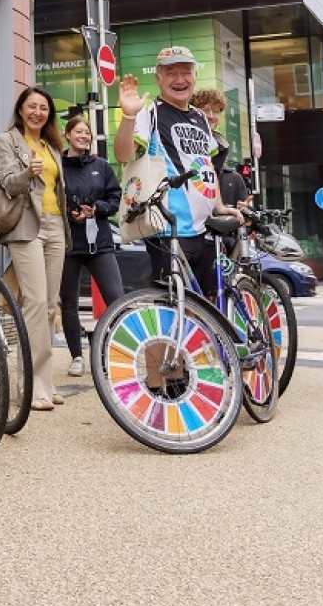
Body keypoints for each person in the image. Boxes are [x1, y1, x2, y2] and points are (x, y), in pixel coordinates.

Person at [113, 46, 238, 300]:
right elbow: (123, 155)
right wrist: (128, 115)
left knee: (208, 307)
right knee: (171, 308)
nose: (179, 79)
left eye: (186, 72)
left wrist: (220, 206)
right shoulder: (150, 113)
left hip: (204, 231)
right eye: (171, 73)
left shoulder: (201, 118)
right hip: (168, 232)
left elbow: (206, 168)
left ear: (194, 76)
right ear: (158, 78)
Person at [0, 87, 71, 412]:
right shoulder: (7, 140)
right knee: (35, 304)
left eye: (43, 107)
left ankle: (46, 382)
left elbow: (58, 189)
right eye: (31, 106)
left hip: (55, 227)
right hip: (26, 227)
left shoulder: (52, 146)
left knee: (50, 307)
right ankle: (32, 386)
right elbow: (6, 182)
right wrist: (27, 174)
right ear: (21, 109)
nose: (37, 112)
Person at [57, 111, 124, 378]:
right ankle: (76, 356)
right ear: (67, 135)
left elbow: (115, 199)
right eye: (79, 132)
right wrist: (68, 213)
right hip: (69, 244)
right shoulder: (58, 165)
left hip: (100, 244)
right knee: (70, 302)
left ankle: (116, 352)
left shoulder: (102, 165)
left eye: (87, 133)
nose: (83, 136)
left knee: (116, 300)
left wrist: (96, 208)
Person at [191, 88, 252, 209]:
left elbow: (245, 219)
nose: (211, 116)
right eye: (205, 110)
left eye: (216, 111)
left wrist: (244, 212)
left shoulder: (234, 179)